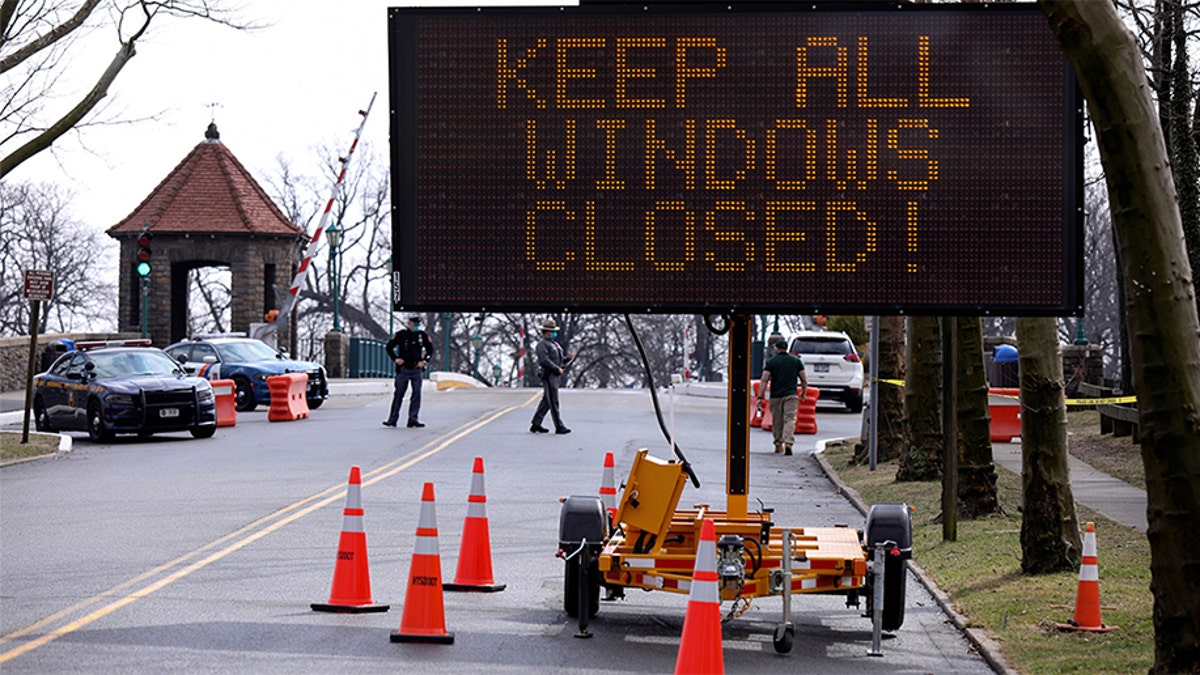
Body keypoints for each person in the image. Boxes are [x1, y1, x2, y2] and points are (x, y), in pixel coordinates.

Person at [383, 313, 434, 428]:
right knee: (399, 394)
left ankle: (413, 419)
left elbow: (430, 350)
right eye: (413, 323)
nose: (415, 326)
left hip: (417, 368)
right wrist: (395, 359)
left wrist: (424, 361)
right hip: (404, 368)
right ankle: (392, 419)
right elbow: (389, 347)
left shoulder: (422, 335)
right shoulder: (401, 335)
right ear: (409, 323)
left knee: (416, 394)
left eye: (417, 324)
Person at [760, 339, 807, 455]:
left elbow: (764, 379)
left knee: (777, 420)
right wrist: (803, 392)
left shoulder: (771, 362)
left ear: (776, 348)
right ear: (786, 348)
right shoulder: (796, 361)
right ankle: (788, 442)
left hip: (776, 395)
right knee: (790, 419)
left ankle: (778, 444)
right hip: (791, 394)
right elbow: (804, 379)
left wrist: (760, 396)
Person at [530, 317, 573, 434]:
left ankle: (536, 423)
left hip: (555, 375)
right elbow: (544, 360)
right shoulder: (542, 344)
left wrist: (566, 360)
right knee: (553, 401)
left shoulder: (554, 344)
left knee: (547, 401)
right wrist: (556, 368)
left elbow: (557, 359)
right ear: (546, 332)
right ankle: (559, 426)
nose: (554, 333)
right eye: (551, 331)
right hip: (549, 375)